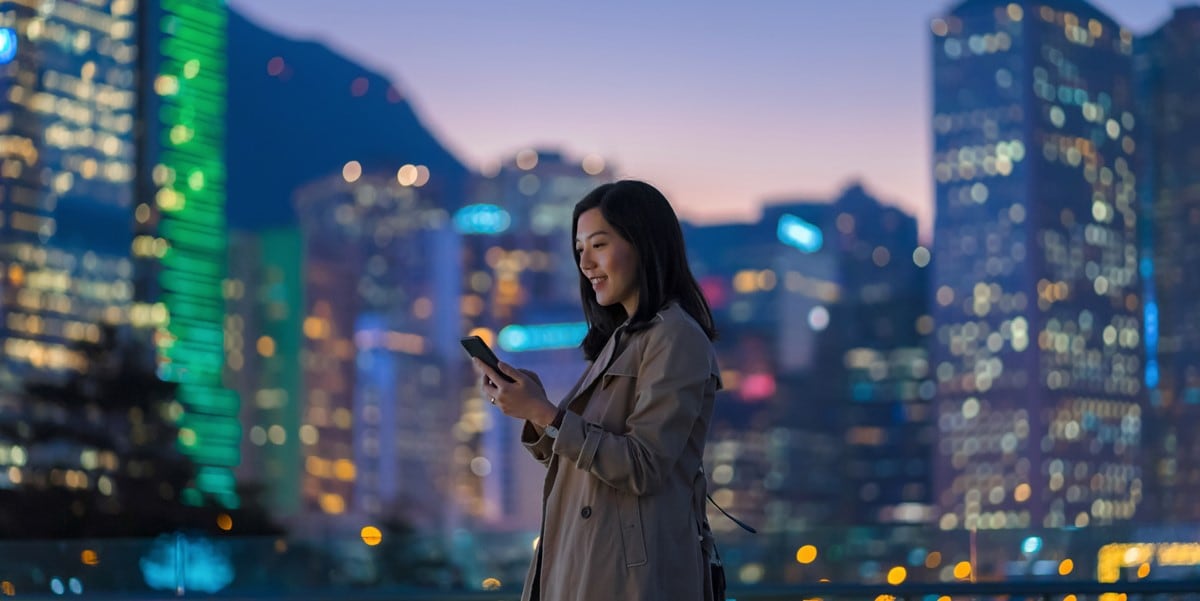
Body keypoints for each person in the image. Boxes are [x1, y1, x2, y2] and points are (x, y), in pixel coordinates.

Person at [472, 180, 723, 600]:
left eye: (599, 245)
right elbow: (583, 459)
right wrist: (537, 407)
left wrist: (543, 414)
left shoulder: (675, 336)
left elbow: (644, 465)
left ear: (644, 244)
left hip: (630, 578)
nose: (586, 263)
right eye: (579, 249)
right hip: (583, 561)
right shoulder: (623, 339)